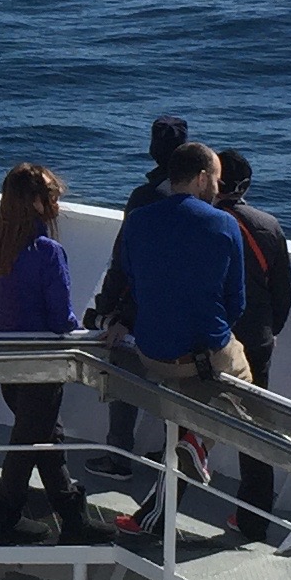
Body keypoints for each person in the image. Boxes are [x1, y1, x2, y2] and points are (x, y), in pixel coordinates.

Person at [111, 142, 252, 542]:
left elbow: (131, 278)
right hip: (198, 357)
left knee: (184, 410)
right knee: (243, 380)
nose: (218, 187)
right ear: (203, 178)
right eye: (217, 179)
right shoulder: (223, 224)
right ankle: (200, 440)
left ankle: (184, 455)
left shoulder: (138, 219)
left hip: (151, 352)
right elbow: (236, 303)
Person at [0, 162, 90, 542]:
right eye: (52, 196)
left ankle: (73, 517)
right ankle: (6, 520)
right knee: (29, 444)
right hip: (42, 364)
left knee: (44, 438)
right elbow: (61, 319)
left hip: (6, 359)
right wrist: (86, 332)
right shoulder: (48, 252)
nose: (56, 203)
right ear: (37, 203)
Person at [89, 114, 191, 481]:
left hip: (140, 311)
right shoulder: (202, 202)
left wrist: (107, 310)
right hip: (183, 312)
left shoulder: (145, 198)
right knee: (177, 388)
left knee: (125, 379)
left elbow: (124, 260)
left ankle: (119, 456)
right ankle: (172, 455)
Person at [217, 150, 291, 543]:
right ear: (246, 185)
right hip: (256, 339)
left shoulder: (206, 221)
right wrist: (268, 331)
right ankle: (253, 518)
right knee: (254, 429)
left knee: (184, 418)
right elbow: (283, 294)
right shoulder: (269, 225)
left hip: (213, 338)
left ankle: (162, 506)